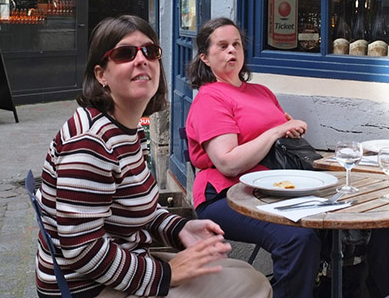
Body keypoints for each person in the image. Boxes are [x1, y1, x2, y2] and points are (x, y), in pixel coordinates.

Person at [35, 15, 271, 298]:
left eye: (150, 51)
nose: (141, 60)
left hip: (122, 264)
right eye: (125, 53)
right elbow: (82, 248)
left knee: (243, 272)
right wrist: (167, 274)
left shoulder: (126, 130)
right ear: (101, 75)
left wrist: (180, 228)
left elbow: (135, 207)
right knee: (253, 287)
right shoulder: (91, 142)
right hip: (88, 287)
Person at [185, 17, 389, 298]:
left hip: (279, 187)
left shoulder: (261, 91)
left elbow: (279, 137)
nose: (232, 51)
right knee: (298, 239)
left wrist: (288, 131)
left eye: (237, 45)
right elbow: (228, 162)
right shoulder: (210, 98)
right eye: (222, 46)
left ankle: (382, 293)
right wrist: (275, 131)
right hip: (227, 195)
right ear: (205, 57)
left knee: (362, 211)